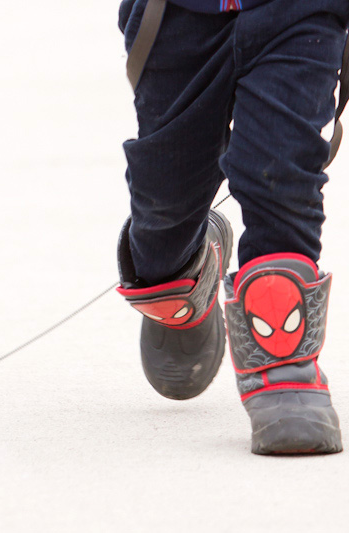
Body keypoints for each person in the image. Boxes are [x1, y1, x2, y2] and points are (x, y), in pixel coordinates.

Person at [115, 0, 349, 454]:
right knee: (163, 202)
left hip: (300, 13)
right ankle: (181, 276)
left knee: (280, 172)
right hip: (177, 16)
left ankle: (285, 369)